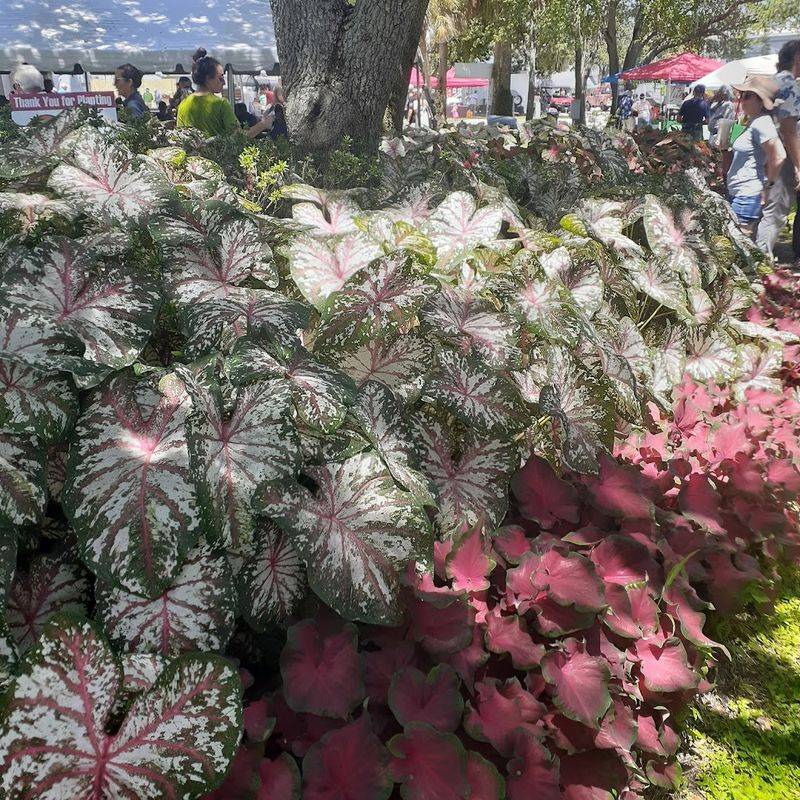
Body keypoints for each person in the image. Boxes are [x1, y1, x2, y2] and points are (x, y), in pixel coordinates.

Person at [756, 39, 800, 264]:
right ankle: (760, 264)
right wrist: (799, 165)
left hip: (760, 154)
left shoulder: (770, 82)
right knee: (775, 213)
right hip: (780, 158)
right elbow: (788, 130)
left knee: (763, 210)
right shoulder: (790, 85)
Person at [726, 77, 785, 240]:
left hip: (747, 195)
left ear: (761, 101)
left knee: (738, 244)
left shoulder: (762, 123)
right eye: (741, 95)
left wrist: (768, 186)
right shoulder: (752, 121)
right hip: (739, 192)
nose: (741, 99)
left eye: (747, 96)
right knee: (737, 244)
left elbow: (779, 155)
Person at [177, 53, 273, 138]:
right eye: (220, 78)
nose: (224, 82)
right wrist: (263, 124)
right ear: (208, 78)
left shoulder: (183, 104)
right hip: (216, 153)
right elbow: (239, 137)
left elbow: (180, 137)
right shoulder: (221, 103)